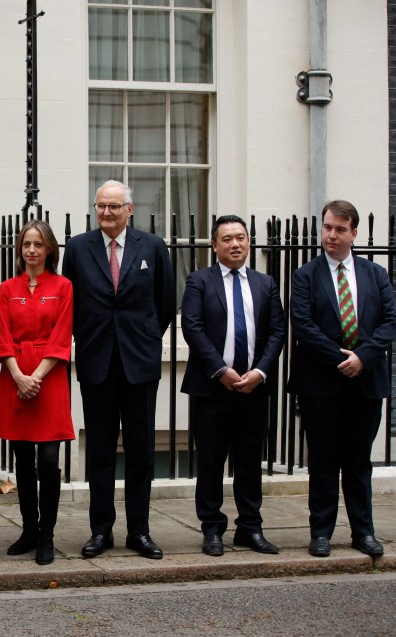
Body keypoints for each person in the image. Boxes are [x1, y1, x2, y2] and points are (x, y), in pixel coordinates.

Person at [61, 180, 175, 560]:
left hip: (139, 364)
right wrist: (95, 339)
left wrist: (139, 340)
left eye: (114, 206)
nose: (106, 213)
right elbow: (71, 305)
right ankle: (101, 530)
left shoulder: (153, 247)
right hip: (97, 362)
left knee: (141, 452)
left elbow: (163, 303)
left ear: (130, 209)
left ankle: (139, 531)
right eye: (100, 206)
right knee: (101, 452)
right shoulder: (77, 248)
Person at [289, 200, 396, 558]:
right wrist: (342, 359)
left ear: (354, 233)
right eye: (327, 227)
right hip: (321, 383)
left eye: (339, 229)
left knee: (358, 461)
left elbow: (389, 323)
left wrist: (363, 358)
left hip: (365, 383)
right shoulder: (305, 275)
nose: (331, 235)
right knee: (322, 460)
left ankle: (362, 533)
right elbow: (303, 325)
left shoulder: (375, 275)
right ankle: (321, 532)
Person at [180, 215, 285, 557]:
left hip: (253, 389)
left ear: (249, 242)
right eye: (227, 239)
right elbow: (192, 328)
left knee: (250, 461)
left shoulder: (265, 283)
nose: (235, 244)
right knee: (210, 462)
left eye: (240, 237)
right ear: (214, 245)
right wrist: (221, 370)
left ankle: (250, 528)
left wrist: (261, 372)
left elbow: (276, 332)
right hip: (212, 388)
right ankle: (211, 529)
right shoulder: (199, 281)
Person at [0, 220, 74, 565]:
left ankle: (48, 535)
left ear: (49, 248)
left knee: (49, 459)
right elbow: (3, 336)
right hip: (15, 374)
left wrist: (34, 377)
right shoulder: (7, 288)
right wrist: (18, 377)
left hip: (48, 377)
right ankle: (29, 529)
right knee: (22, 459)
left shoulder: (63, 286)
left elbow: (61, 336)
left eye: (38, 244)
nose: (32, 250)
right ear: (20, 249)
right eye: (26, 244)